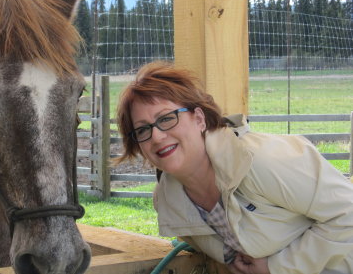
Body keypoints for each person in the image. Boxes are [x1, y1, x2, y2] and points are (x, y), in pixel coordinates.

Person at [116, 61, 353, 274]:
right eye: (143, 130)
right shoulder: (168, 201)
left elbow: (347, 213)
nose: (156, 136)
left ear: (199, 119)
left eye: (166, 118)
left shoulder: (261, 161)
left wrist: (277, 268)